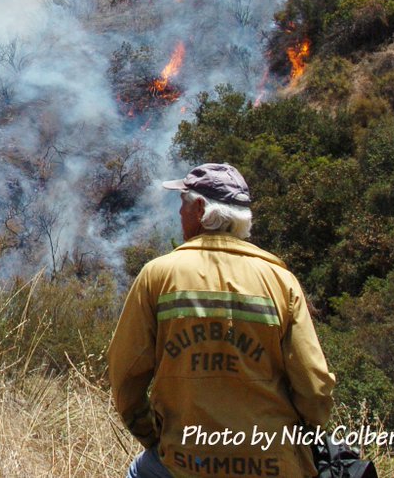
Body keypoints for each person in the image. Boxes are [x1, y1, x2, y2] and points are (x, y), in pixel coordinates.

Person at [107, 163, 336, 478]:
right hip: (273, 465)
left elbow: (126, 378)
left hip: (186, 463)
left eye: (183, 204)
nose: (179, 214)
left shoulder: (158, 275)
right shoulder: (281, 281)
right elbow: (314, 388)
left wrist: (155, 438)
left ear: (200, 209)